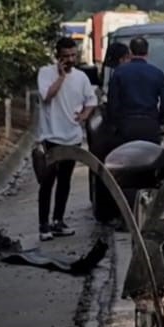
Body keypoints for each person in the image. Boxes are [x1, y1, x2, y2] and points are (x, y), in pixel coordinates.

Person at [34, 37, 95, 241]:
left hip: (73, 136)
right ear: (57, 57)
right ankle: (44, 225)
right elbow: (47, 96)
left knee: (65, 181)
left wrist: (84, 115)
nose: (70, 60)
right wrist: (60, 77)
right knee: (47, 181)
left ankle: (58, 220)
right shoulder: (45, 73)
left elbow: (91, 100)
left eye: (73, 55)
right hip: (51, 135)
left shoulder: (81, 77)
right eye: (65, 56)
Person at [105, 36, 164, 146]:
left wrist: (117, 124)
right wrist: (159, 121)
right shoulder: (157, 73)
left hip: (126, 125)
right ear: (147, 51)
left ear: (130, 51)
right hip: (150, 125)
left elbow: (112, 103)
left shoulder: (119, 73)